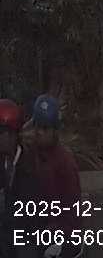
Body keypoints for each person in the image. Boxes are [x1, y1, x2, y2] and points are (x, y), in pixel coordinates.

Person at [27, 95, 81, 258]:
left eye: (45, 128)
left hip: (60, 235)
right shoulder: (31, 154)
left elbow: (73, 212)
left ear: (55, 130)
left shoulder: (65, 163)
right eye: (37, 126)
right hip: (37, 228)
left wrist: (60, 240)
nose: (39, 132)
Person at [1, 98, 40, 258]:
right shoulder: (3, 162)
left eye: (0, 133)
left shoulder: (30, 166)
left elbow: (30, 216)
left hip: (27, 236)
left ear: (12, 134)